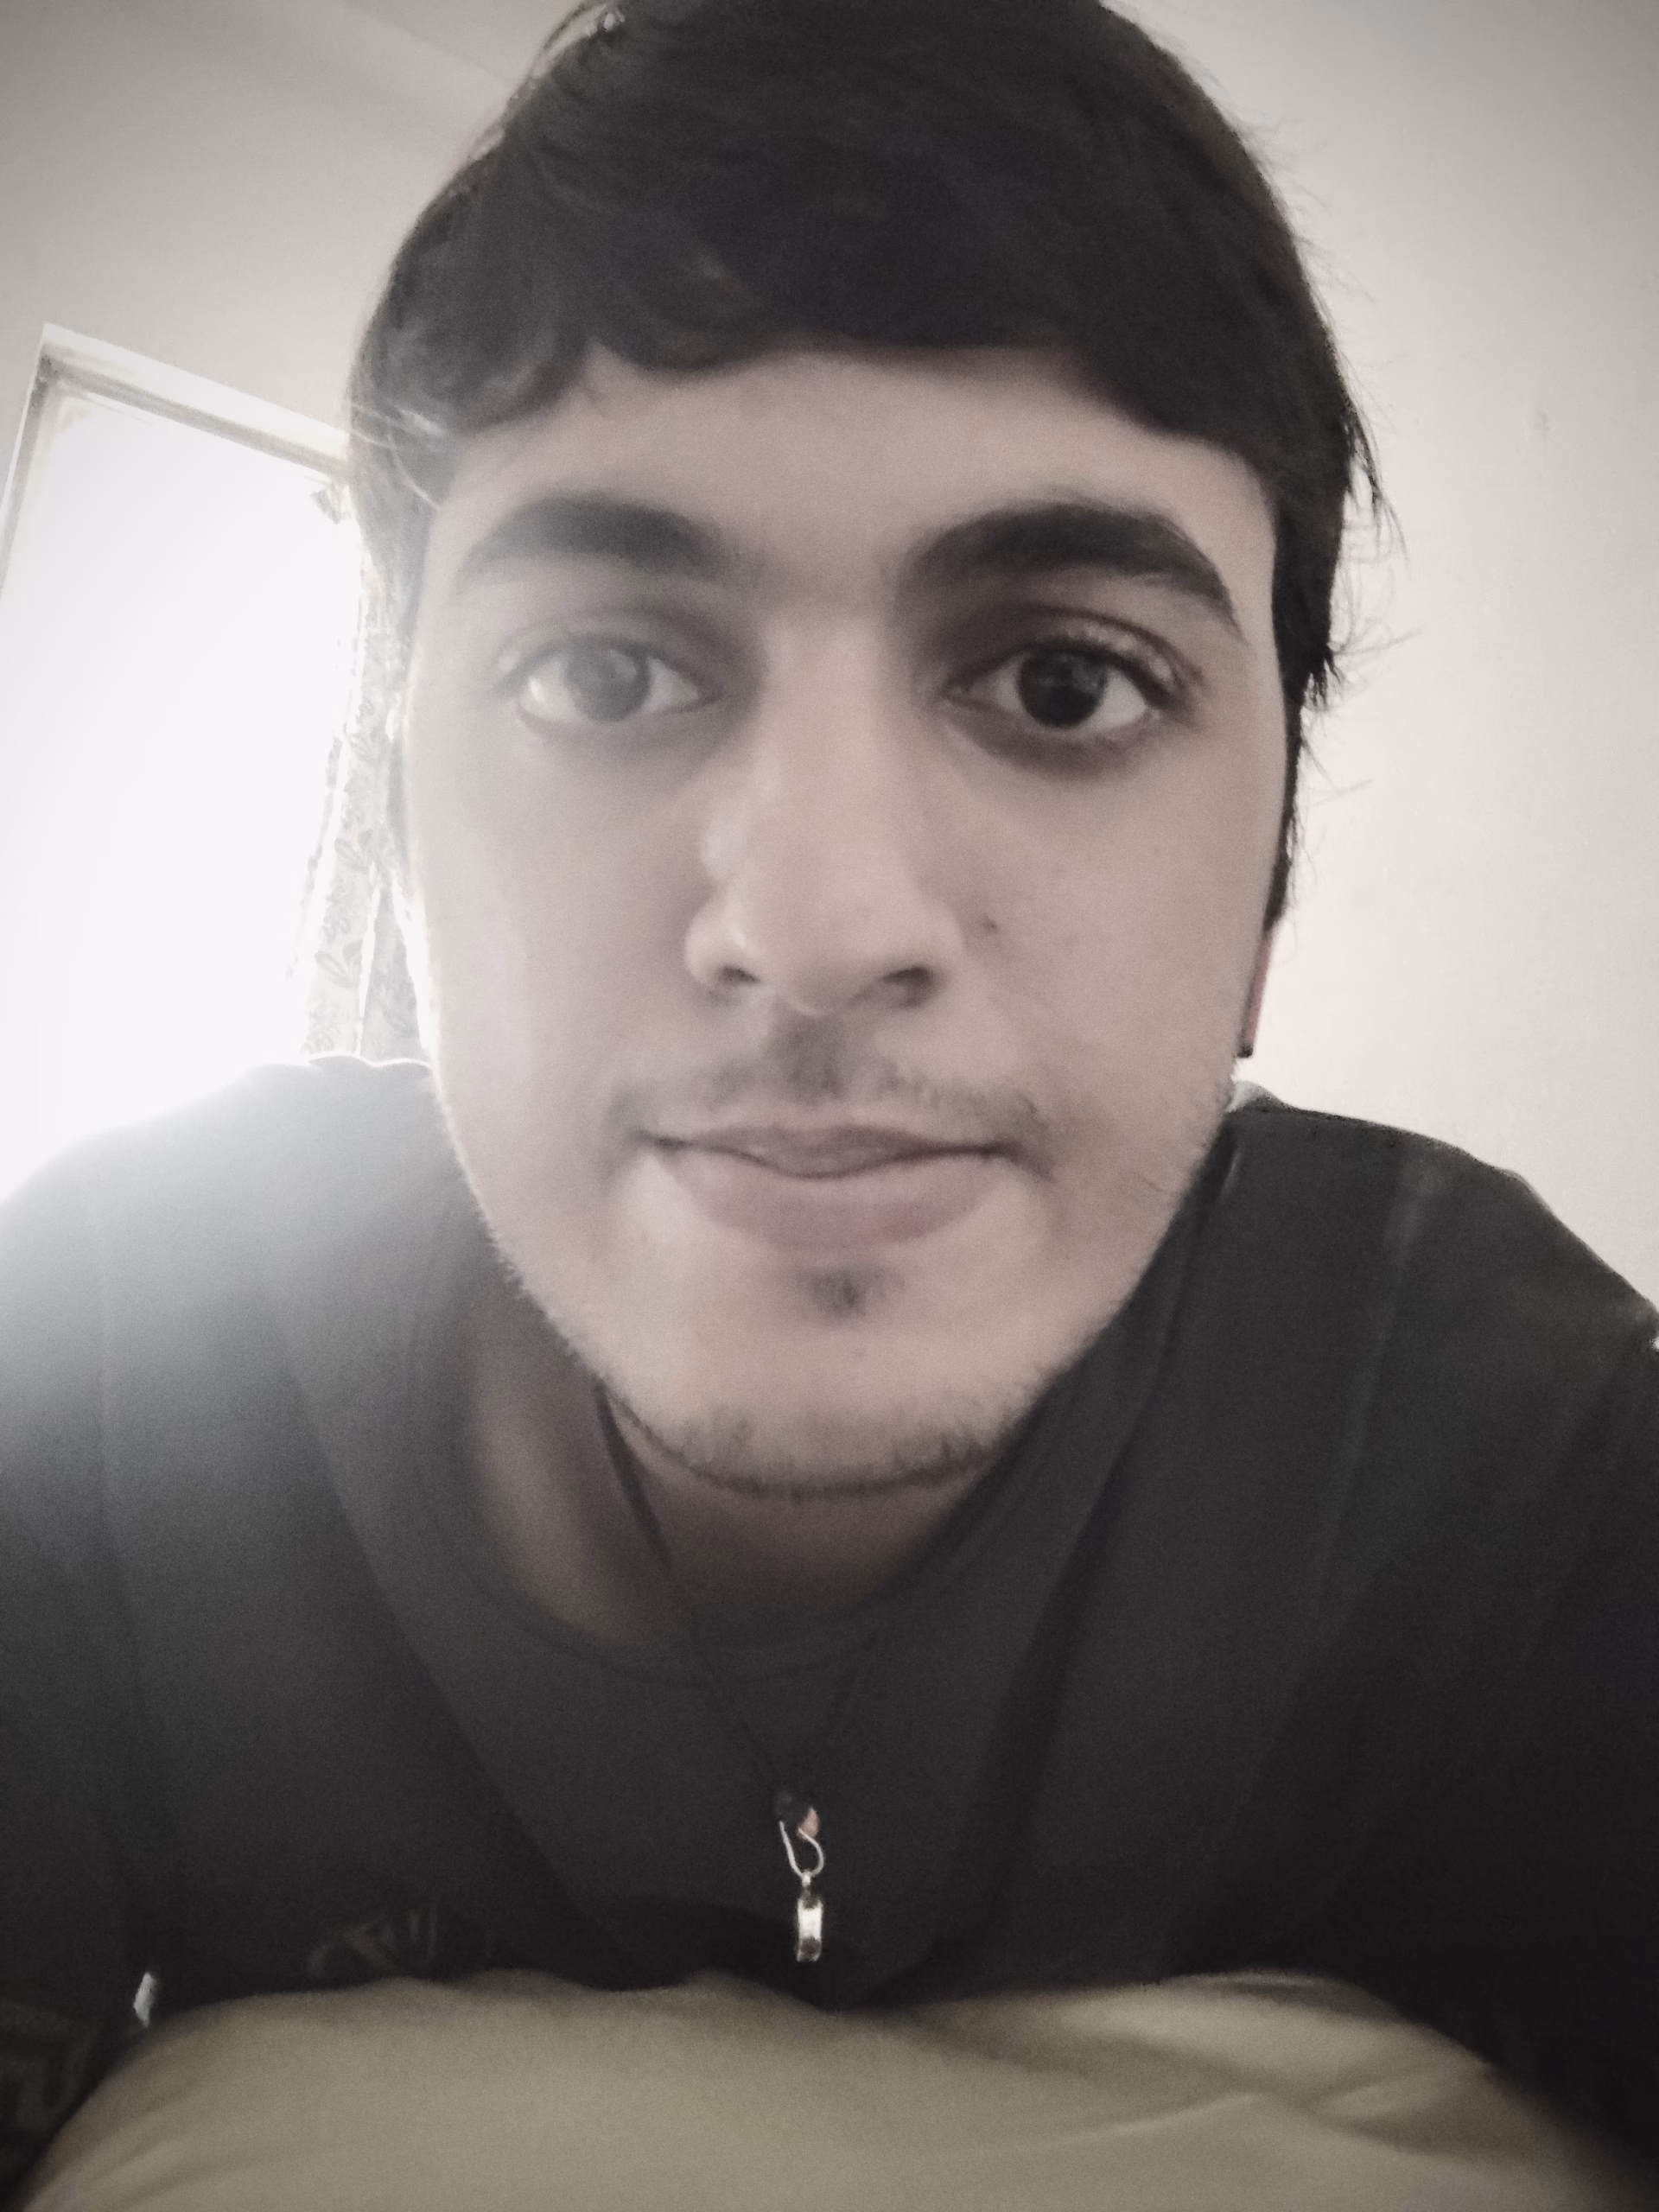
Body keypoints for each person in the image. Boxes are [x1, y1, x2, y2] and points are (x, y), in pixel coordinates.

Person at [2, 0, 1656, 2190]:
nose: (815, 921)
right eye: (604, 671)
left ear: (1269, 887)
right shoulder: (101, 1381)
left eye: (1065, 680)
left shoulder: (1510, 1456)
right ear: (398, 841)